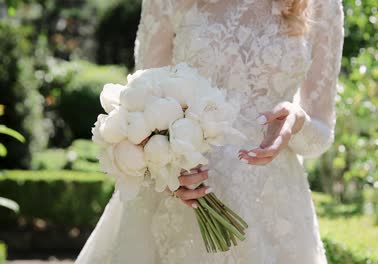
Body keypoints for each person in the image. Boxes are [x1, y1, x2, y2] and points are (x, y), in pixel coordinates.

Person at [76, 0, 344, 263]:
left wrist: (298, 123)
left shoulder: (323, 5)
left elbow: (321, 135)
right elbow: (144, 102)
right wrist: (164, 171)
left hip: (275, 212)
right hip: (183, 197)